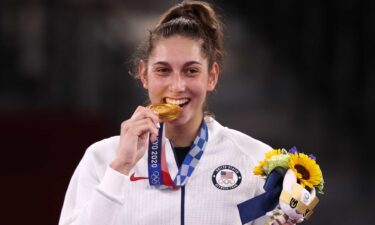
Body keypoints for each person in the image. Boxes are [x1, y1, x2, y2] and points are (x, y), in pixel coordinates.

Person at [59, 1, 287, 225]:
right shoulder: (103, 158)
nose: (177, 85)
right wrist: (120, 168)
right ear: (144, 75)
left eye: (191, 70)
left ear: (212, 76)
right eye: (163, 70)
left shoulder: (255, 160)